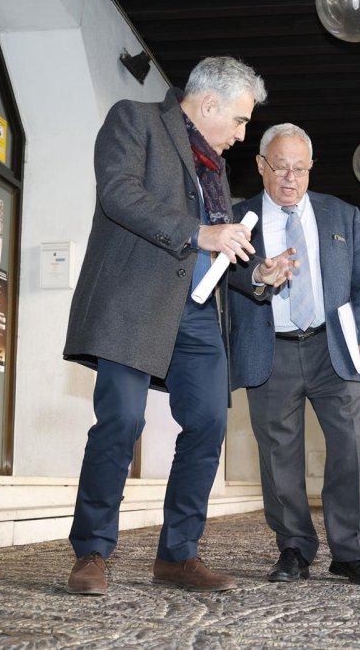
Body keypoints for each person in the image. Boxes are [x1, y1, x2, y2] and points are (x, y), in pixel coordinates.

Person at [62, 57, 292, 596]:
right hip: (134, 303)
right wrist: (201, 232)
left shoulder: (213, 165)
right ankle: (92, 551)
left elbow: (213, 249)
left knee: (209, 425)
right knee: (120, 421)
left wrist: (256, 272)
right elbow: (119, 194)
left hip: (198, 315)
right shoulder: (134, 120)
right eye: (239, 121)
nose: (241, 135)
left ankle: (178, 555)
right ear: (209, 104)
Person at [227, 123, 360, 586]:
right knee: (279, 455)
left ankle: (351, 553)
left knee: (349, 450)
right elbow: (226, 277)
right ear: (261, 166)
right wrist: (258, 273)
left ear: (311, 168)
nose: (290, 178)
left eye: (300, 168)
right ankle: (294, 548)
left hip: (333, 347)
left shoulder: (343, 216)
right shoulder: (241, 219)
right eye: (280, 167)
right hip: (269, 349)